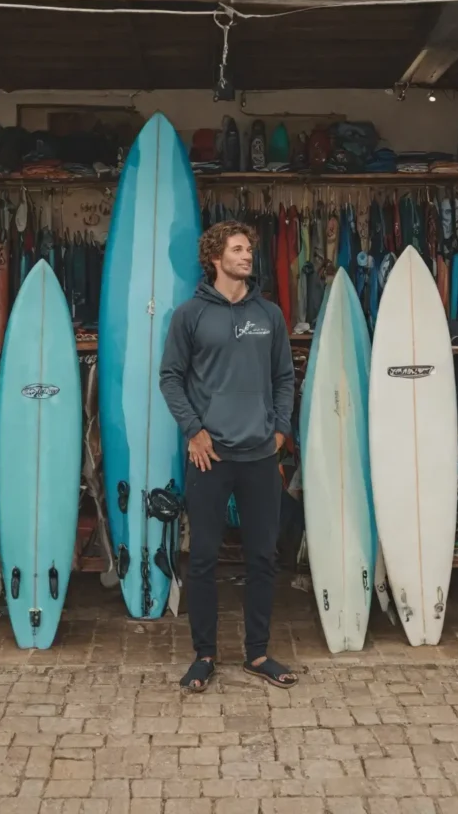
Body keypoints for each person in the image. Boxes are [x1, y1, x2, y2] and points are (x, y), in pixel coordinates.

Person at [159, 220, 299, 693]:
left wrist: (280, 430)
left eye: (249, 250)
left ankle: (258, 653)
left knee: (263, 557)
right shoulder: (190, 315)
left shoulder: (270, 315)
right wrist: (194, 432)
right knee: (202, 558)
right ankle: (204, 656)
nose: (247, 257)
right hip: (210, 457)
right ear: (215, 258)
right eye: (238, 250)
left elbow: (284, 377)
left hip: (261, 454)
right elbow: (170, 378)